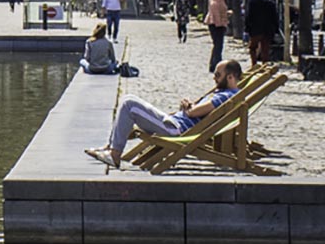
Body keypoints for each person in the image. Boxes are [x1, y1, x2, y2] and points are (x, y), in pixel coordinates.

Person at [85, 59, 243, 168]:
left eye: (218, 75)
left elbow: (193, 113)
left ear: (230, 77)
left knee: (129, 105)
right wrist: (190, 107)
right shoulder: (225, 93)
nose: (214, 78)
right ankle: (110, 147)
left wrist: (186, 107)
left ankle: (115, 154)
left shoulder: (225, 96)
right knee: (129, 99)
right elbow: (197, 111)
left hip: (176, 129)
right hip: (175, 123)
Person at [245, 0, 279, 65]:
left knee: (252, 47)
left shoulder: (252, 2)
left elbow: (249, 16)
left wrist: (247, 28)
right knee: (265, 49)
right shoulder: (271, 3)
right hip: (267, 30)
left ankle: (254, 63)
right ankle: (265, 64)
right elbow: (275, 17)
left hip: (255, 30)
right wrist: (276, 29)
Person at [204, 0, 231, 72]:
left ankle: (214, 65)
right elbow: (214, 12)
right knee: (218, 45)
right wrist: (219, 24)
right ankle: (218, 65)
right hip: (215, 24)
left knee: (218, 45)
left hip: (219, 23)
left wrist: (227, 13)